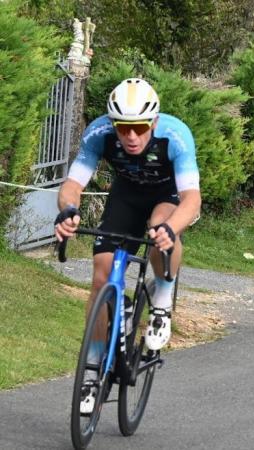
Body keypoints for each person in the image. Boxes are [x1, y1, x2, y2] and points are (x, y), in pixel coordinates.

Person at [54, 78, 201, 412]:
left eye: (138, 127)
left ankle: (161, 300)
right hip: (126, 197)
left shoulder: (175, 136)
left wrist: (171, 227)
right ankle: (92, 371)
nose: (131, 136)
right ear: (112, 124)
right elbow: (73, 184)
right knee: (101, 274)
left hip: (168, 197)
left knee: (160, 228)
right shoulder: (98, 133)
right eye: (123, 127)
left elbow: (192, 198)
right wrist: (68, 211)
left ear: (153, 122)